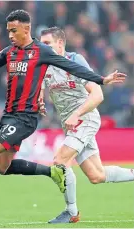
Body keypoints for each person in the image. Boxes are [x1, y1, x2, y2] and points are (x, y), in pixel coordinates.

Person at [0, 10, 126, 212]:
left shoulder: (42, 51)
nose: (10, 35)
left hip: (24, 119)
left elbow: (73, 67)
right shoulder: (10, 52)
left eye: (14, 30)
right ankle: (52, 172)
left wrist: (102, 80)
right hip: (8, 117)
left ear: (26, 28)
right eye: (8, 31)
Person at [39, 27, 134, 224]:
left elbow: (97, 94)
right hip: (72, 124)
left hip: (85, 118)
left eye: (47, 43)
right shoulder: (44, 65)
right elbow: (39, 86)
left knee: (60, 161)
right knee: (96, 175)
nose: (42, 47)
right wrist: (39, 100)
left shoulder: (74, 61)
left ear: (60, 44)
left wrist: (76, 114)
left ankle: (71, 212)